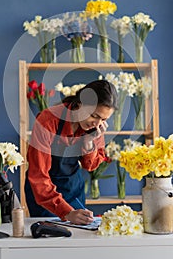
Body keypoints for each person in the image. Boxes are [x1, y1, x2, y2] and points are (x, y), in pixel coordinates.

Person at [25, 79, 118, 225]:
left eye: (103, 119)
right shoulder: (48, 120)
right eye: (94, 115)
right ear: (80, 104)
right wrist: (66, 212)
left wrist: (89, 142)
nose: (97, 123)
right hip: (44, 195)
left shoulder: (96, 128)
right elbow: (38, 176)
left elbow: (91, 166)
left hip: (73, 190)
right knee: (47, 240)